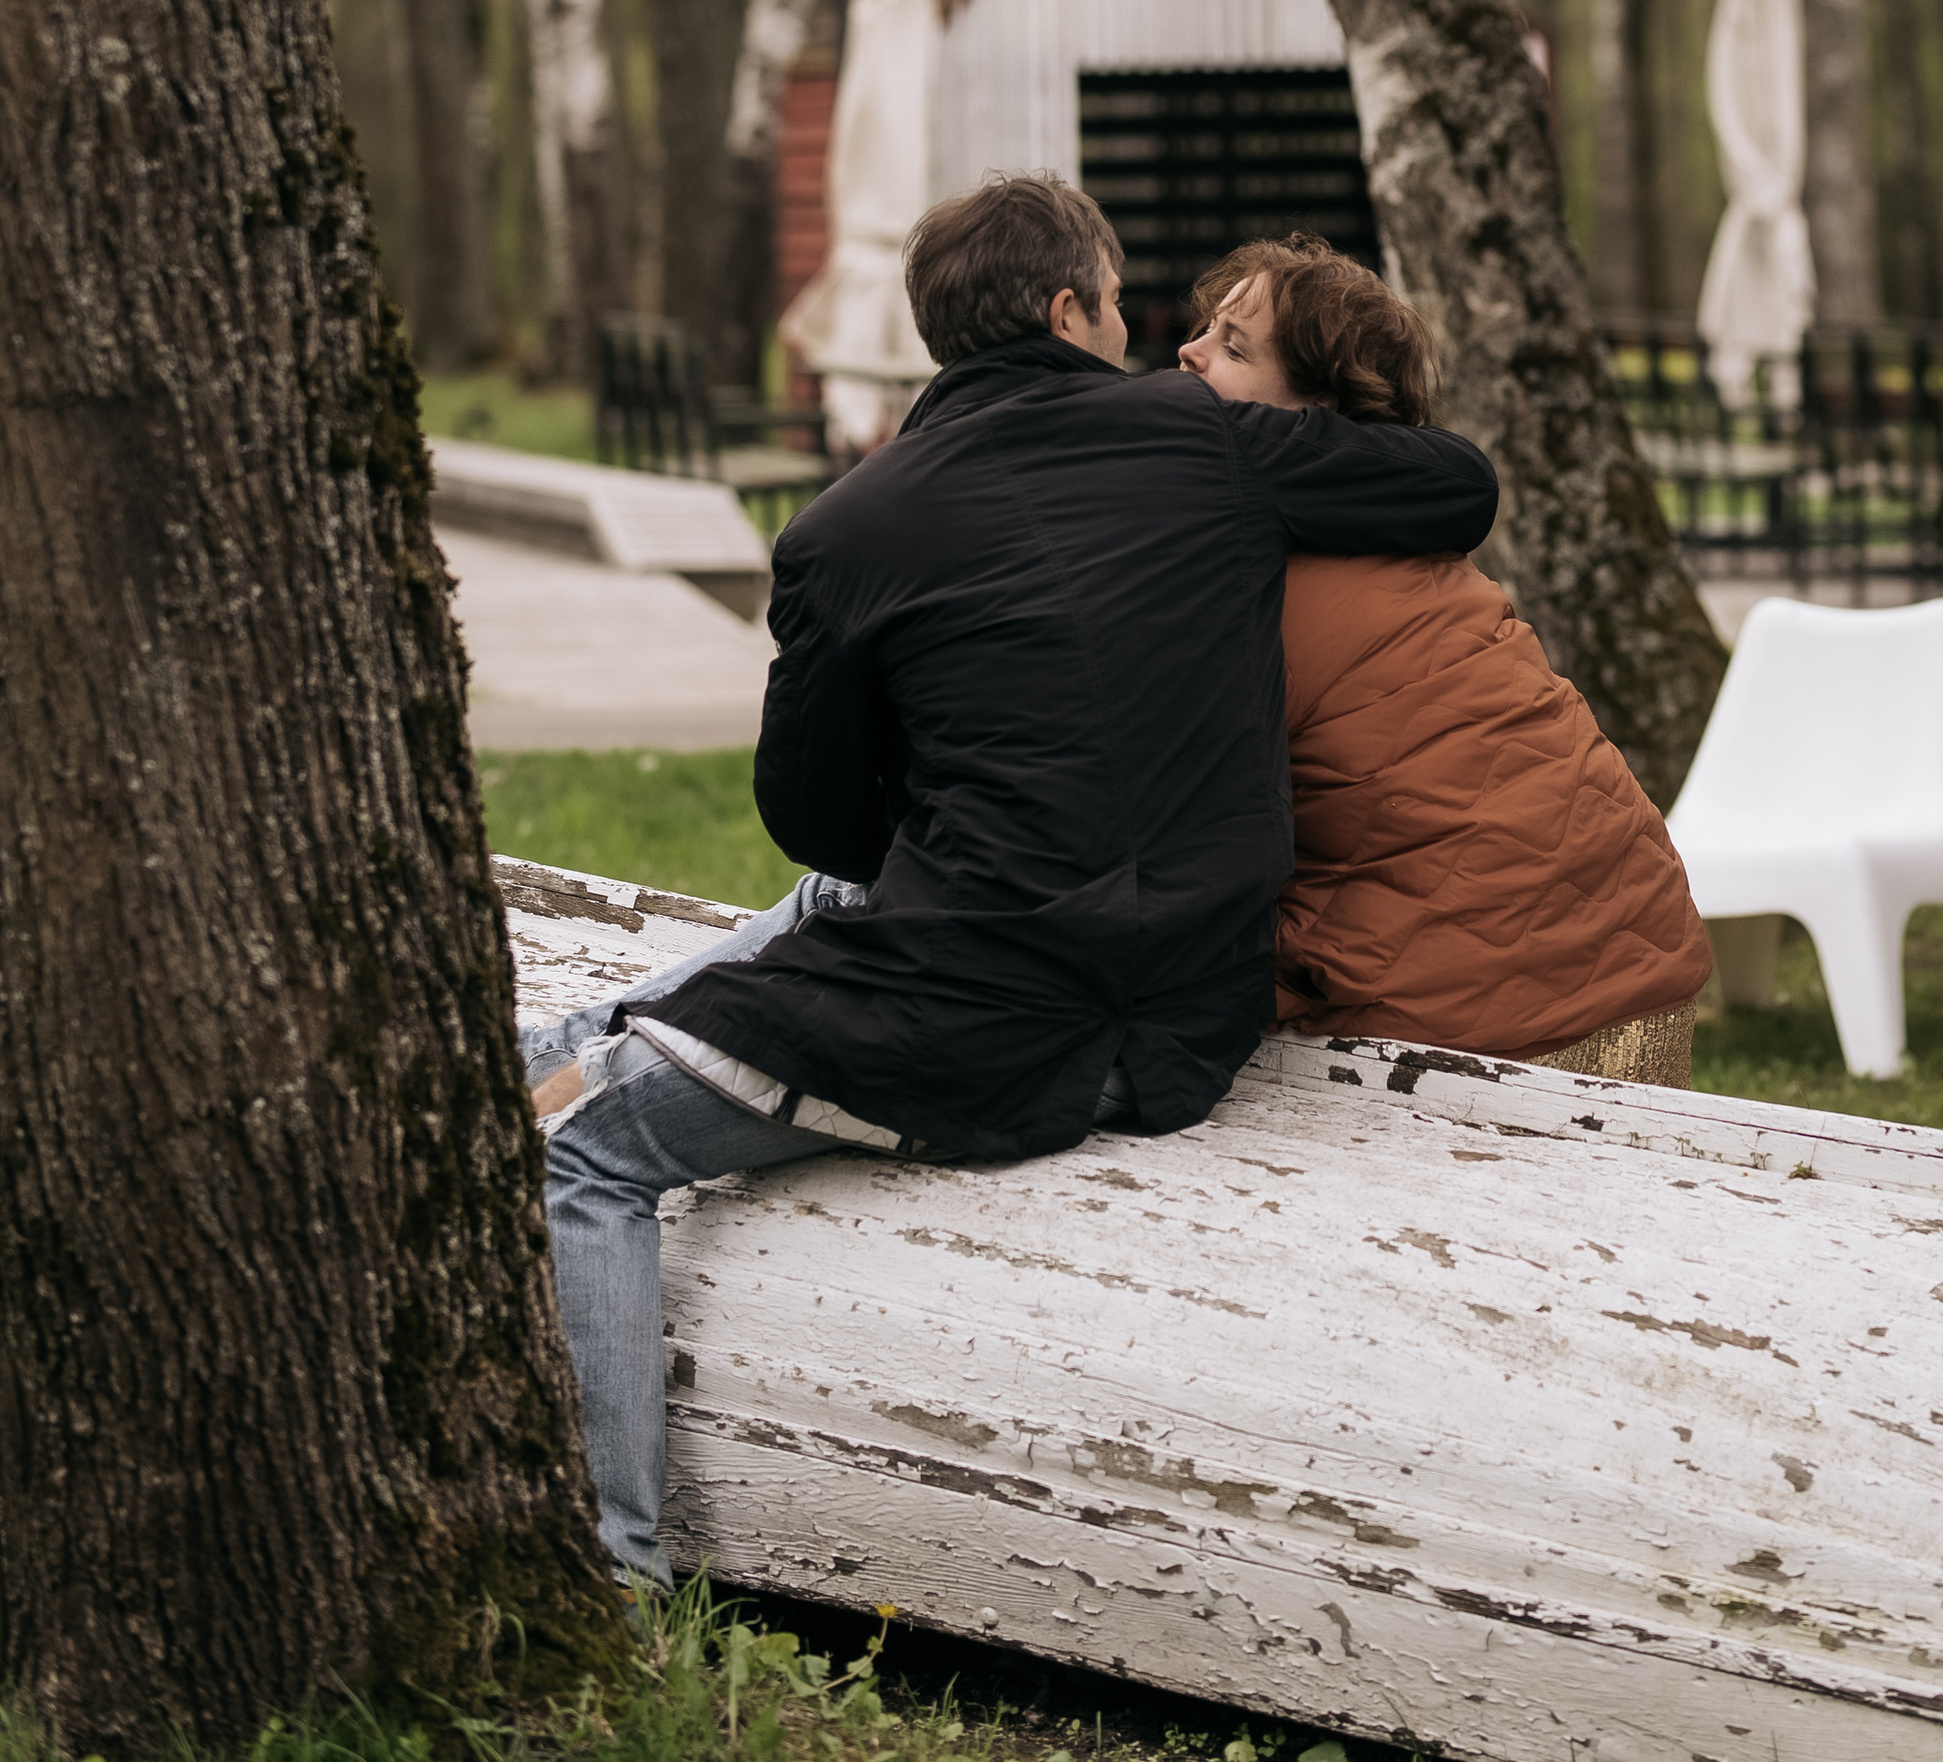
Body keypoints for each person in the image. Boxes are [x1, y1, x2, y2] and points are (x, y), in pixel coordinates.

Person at [526, 171, 1497, 1582]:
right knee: (832, 918)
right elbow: (1456, 481)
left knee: (584, 1148)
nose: (1149, 336)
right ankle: (566, 1041)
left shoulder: (842, 531)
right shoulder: (1210, 439)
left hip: (977, 1034)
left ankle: (609, 1572)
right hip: (1184, 1015)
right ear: (1068, 307)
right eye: (1121, 303)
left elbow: (813, 815)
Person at [1178, 237, 1712, 1078]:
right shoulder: (1416, 544)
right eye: (1204, 330)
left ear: (1318, 415)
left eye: (1233, 347)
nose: (1189, 352)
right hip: (1646, 973)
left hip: (1486, 1023)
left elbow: (1194, 845)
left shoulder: (1245, 577)